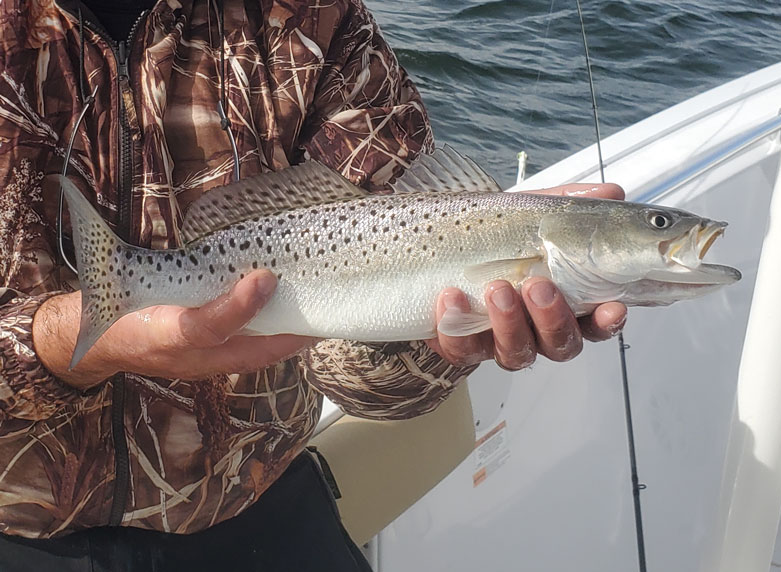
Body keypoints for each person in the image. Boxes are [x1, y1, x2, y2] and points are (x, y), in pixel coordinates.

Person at [0, 0, 627, 570]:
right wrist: (56, 347)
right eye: (655, 228)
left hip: (261, 508)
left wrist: (434, 339)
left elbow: (369, 378)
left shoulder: (312, 17)